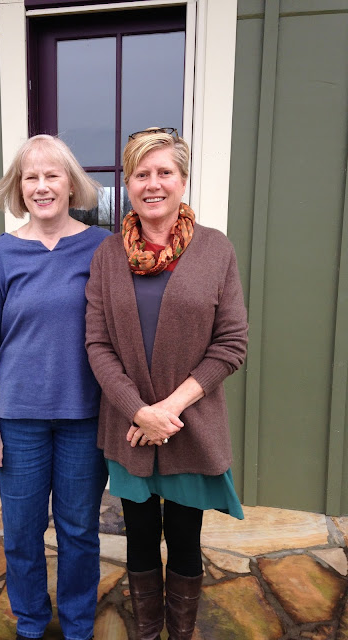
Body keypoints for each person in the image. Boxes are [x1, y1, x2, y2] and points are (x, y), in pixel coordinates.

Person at [85, 127, 248, 640]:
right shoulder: (108, 255)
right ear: (128, 184)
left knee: (184, 539)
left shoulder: (216, 250)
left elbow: (231, 344)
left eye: (164, 172)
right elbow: (97, 345)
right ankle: (147, 631)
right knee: (137, 538)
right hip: (129, 429)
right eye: (141, 174)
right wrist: (139, 411)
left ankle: (180, 632)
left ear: (183, 179)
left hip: (189, 425)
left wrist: (167, 411)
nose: (152, 184)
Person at [0, 135, 110, 640]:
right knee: (22, 533)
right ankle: (30, 624)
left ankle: (77, 626)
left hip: (84, 419)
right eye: (31, 177)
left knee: (80, 532)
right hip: (18, 422)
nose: (42, 186)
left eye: (53, 175)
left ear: (71, 184)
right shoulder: (0, 253)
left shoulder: (102, 248)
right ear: (19, 188)